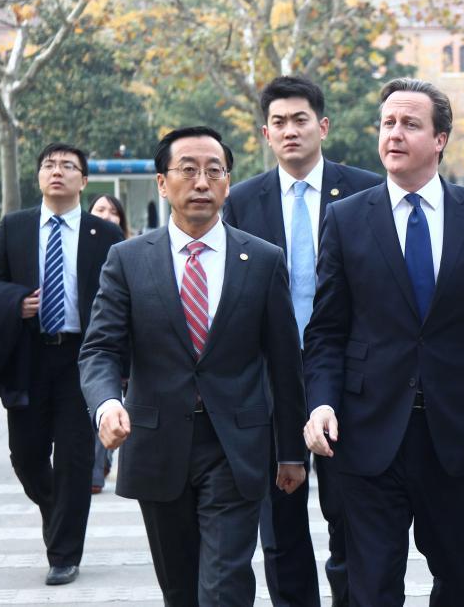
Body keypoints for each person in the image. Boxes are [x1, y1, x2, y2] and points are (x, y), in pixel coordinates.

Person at [303, 78, 464, 606]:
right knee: (371, 585)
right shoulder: (344, 219)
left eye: (411, 124)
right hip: (366, 434)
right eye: (388, 123)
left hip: (460, 434)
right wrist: (320, 401)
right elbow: (326, 330)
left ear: (440, 139)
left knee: (462, 582)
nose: (395, 133)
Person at [79, 127, 307, 606]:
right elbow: (101, 348)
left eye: (214, 171)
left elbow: (285, 364)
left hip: (236, 446)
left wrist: (290, 451)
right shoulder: (127, 260)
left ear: (227, 182)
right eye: (188, 170)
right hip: (158, 442)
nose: (201, 182)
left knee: (224, 587)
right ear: (163, 183)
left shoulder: (262, 260)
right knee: (180, 588)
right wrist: (105, 405)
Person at [222, 74, 382, 607]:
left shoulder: (365, 191)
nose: (290, 131)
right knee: (280, 529)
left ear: (323, 126)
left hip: (345, 377)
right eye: (278, 123)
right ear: (265, 135)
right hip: (271, 382)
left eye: (300, 120)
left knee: (352, 521)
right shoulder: (242, 201)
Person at [0, 143, 124, 585]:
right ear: (39, 176)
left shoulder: (103, 234)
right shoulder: (12, 227)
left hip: (81, 360)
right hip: (28, 356)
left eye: (69, 166)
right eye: (49, 164)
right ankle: (57, 507)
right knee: (26, 457)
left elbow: (121, 295)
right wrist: (15, 304)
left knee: (74, 458)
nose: (57, 171)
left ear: (83, 181)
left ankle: (64, 553)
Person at [86, 194, 130, 495]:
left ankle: (102, 461)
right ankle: (96, 472)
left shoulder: (131, 253)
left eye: (113, 211)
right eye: (100, 209)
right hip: (96, 345)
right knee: (104, 402)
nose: (106, 215)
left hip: (127, 347)